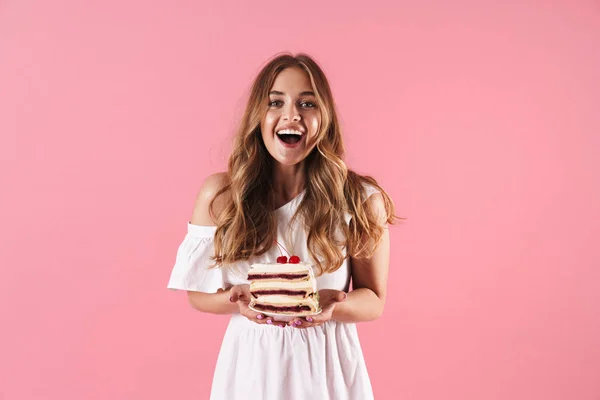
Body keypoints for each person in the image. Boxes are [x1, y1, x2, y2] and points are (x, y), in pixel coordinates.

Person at [167, 52, 399, 400]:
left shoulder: (360, 198)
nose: (291, 114)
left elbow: (374, 300)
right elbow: (198, 294)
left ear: (326, 118)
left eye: (307, 103)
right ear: (258, 117)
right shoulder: (222, 195)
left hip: (327, 370)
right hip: (250, 370)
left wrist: (333, 305)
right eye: (276, 102)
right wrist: (239, 301)